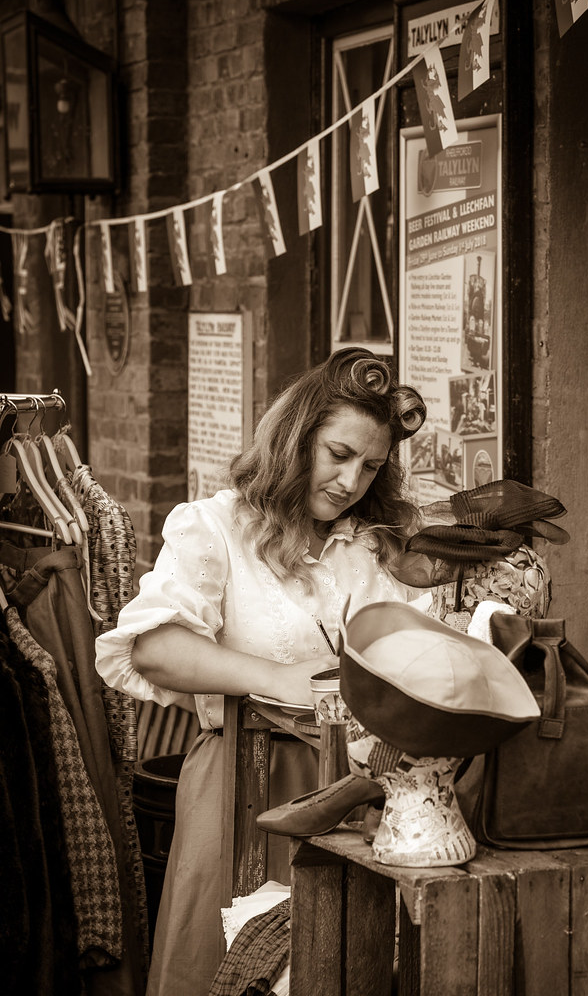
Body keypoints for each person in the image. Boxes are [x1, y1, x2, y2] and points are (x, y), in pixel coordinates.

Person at [94, 347, 427, 996]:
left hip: (360, 789)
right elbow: (153, 647)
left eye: (371, 466)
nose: (351, 481)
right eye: (338, 455)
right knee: (228, 967)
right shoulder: (215, 526)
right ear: (295, 439)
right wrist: (281, 676)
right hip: (242, 785)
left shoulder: (371, 543)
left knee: (339, 965)